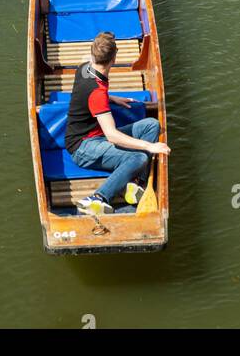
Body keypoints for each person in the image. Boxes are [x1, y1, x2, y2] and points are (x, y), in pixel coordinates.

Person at [66, 32, 170, 217]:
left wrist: (112, 99)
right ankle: (97, 198)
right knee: (140, 158)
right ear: (114, 59)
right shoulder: (97, 93)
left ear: (93, 55)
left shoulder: (84, 68)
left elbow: (87, 96)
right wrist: (150, 146)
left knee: (152, 125)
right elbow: (112, 135)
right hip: (83, 148)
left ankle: (136, 182)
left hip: (96, 136)